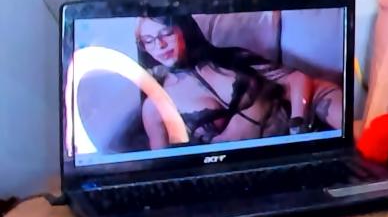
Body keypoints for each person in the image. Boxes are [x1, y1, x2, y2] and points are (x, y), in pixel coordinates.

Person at [133, 15, 344, 148]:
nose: (159, 45)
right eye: (148, 41)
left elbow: (297, 79)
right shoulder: (156, 105)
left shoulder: (229, 57)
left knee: (354, 144)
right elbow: (161, 167)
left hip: (308, 108)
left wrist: (298, 128)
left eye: (166, 33)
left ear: (184, 30)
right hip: (269, 161)